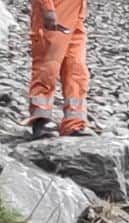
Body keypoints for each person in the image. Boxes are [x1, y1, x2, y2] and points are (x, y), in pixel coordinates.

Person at [26, 0, 90, 138]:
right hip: (55, 9)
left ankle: (74, 122)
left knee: (76, 68)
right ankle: (41, 119)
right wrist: (48, 9)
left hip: (76, 13)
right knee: (47, 67)